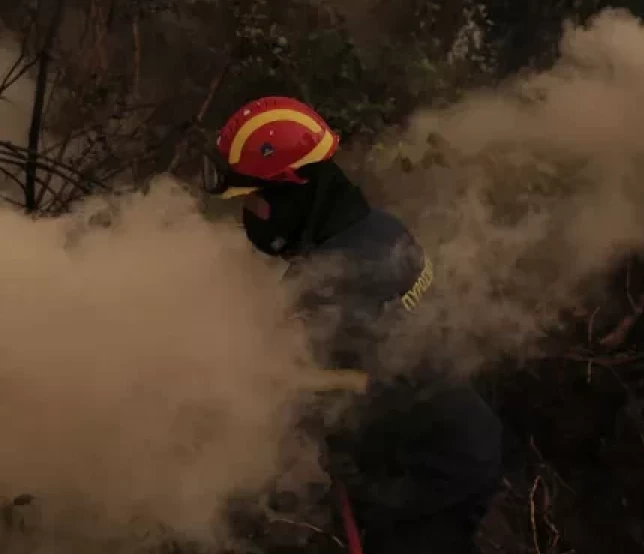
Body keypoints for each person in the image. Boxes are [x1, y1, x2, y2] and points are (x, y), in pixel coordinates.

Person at [201, 96, 503, 554]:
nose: (249, 215)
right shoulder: (378, 229)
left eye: (254, 201)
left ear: (294, 190)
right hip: (465, 443)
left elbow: (300, 406)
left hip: (427, 482)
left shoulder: (328, 285)